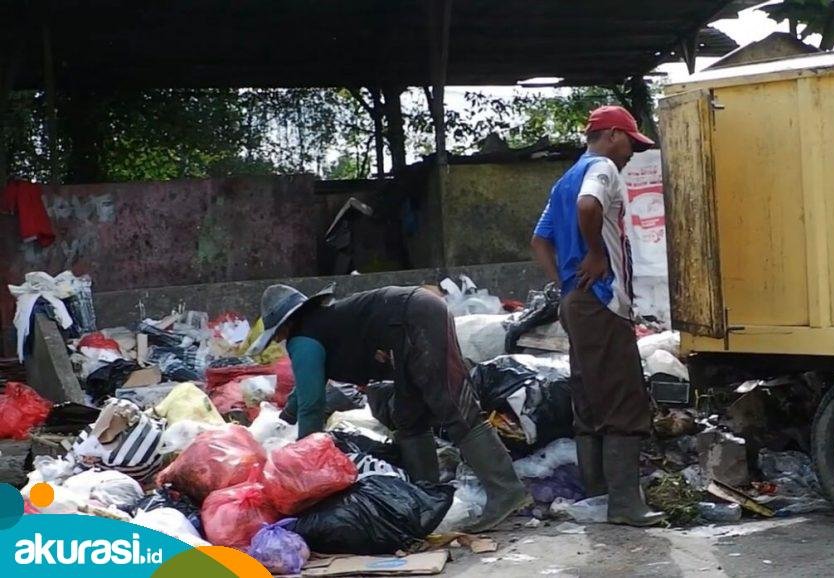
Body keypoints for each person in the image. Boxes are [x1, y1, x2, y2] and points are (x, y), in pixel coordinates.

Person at [247, 284, 530, 532]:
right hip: (407, 325)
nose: (280, 340)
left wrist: (303, 463)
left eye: (278, 335)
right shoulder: (318, 327)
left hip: (415, 316)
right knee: (408, 417)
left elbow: (312, 406)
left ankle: (506, 491)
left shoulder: (303, 338)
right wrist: (282, 420)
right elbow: (306, 393)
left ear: (285, 324)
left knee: (453, 406)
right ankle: (426, 499)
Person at [530, 105, 665, 527]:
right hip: (602, 302)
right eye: (630, 142)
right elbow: (591, 206)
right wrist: (595, 254)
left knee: (589, 399)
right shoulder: (602, 167)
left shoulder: (561, 182)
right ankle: (625, 503)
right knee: (624, 399)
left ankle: (598, 495)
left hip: (576, 301)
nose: (631, 154)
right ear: (610, 136)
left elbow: (539, 240)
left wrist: (566, 286)